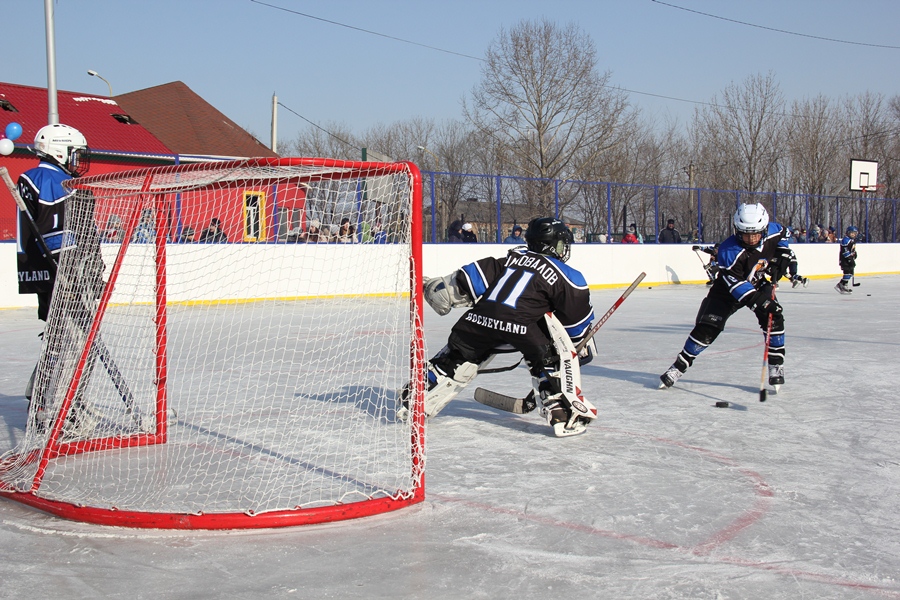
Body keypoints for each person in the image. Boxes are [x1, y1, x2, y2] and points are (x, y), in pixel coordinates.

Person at [399, 217, 597, 437]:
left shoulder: (509, 259)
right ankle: (559, 409)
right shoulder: (568, 276)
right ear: (552, 245)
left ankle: (418, 394)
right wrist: (580, 346)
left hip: (479, 321)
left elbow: (460, 283)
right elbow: (574, 326)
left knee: (456, 357)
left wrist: (437, 287)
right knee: (550, 355)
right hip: (523, 328)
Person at [16, 123, 105, 434]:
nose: (79, 161)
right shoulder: (53, 179)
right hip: (64, 275)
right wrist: (84, 273)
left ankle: (46, 401)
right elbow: (60, 235)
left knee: (61, 341)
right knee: (75, 343)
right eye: (75, 153)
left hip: (50, 275)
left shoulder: (36, 177)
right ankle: (57, 411)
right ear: (58, 149)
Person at [659, 203, 787, 391]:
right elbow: (738, 287)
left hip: (758, 282)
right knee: (707, 328)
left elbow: (785, 234)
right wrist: (761, 302)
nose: (751, 239)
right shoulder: (729, 251)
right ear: (737, 231)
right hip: (727, 290)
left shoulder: (774, 231)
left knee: (774, 318)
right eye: (745, 234)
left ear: (764, 229)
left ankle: (776, 365)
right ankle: (680, 365)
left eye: (755, 234)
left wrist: (783, 254)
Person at [835, 225, 858, 294]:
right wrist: (849, 259)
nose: (853, 234)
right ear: (848, 233)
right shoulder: (846, 240)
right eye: (852, 233)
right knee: (847, 273)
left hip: (849, 259)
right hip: (845, 260)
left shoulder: (852, 240)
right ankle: (841, 285)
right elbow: (845, 251)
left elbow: (852, 249)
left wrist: (854, 254)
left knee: (850, 273)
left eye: (854, 233)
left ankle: (843, 285)